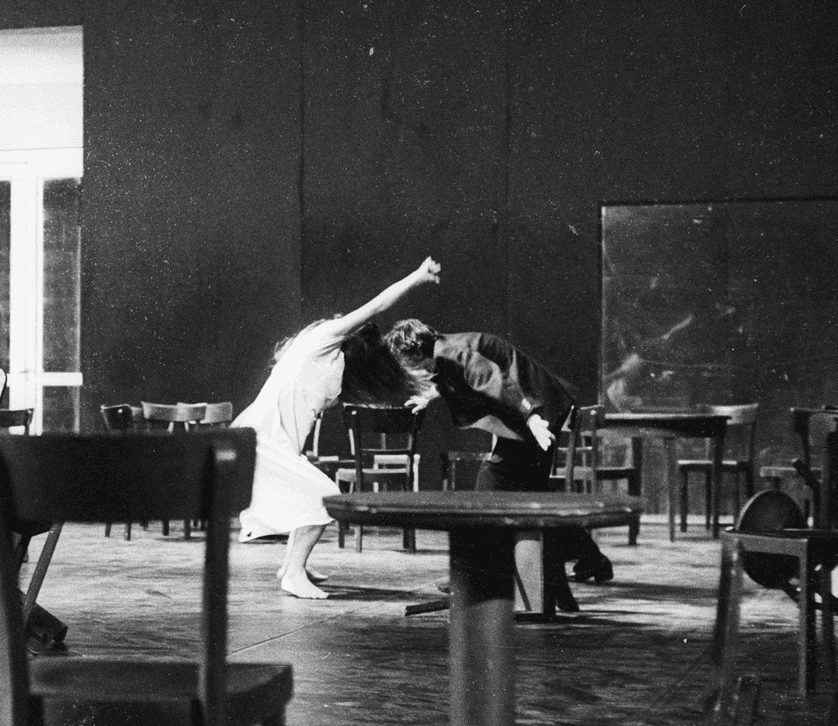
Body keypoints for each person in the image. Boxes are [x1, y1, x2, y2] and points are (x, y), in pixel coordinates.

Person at [234, 258, 441, 599]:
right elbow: (377, 305)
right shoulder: (323, 339)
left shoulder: (331, 366)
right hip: (261, 439)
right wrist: (417, 277)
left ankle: (291, 567)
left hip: (270, 441)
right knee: (322, 496)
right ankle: (294, 573)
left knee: (309, 498)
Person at [384, 320, 615, 605]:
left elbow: (493, 378)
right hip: (534, 411)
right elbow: (453, 376)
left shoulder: (451, 352)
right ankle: (590, 557)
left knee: (492, 489)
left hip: (535, 415)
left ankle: (474, 576)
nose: (409, 371)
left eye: (408, 365)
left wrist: (530, 417)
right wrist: (430, 396)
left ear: (415, 354)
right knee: (529, 495)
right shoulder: (443, 349)